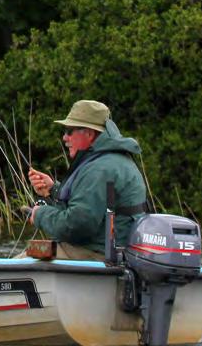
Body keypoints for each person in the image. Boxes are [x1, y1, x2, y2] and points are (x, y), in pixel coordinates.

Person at [26, 99, 148, 260]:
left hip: (96, 255)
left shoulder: (99, 169)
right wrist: (53, 189)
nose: (64, 138)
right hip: (111, 253)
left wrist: (40, 215)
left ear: (89, 134)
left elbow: (76, 226)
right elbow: (90, 204)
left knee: (24, 260)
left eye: (69, 131)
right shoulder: (114, 160)